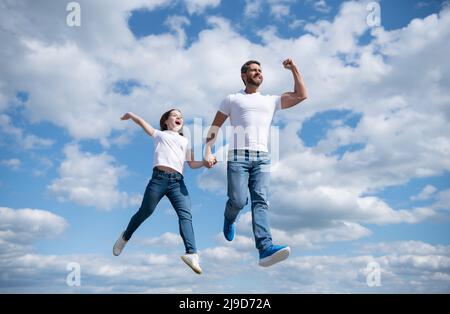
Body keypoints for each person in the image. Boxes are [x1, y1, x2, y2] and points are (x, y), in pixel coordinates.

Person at [204, 59, 307, 267]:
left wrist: (293, 69)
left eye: (260, 70)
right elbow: (215, 127)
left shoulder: (271, 100)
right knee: (239, 201)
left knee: (261, 201)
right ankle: (229, 217)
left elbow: (301, 95)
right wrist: (207, 150)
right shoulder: (231, 99)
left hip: (262, 158)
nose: (259, 73)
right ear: (244, 75)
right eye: (254, 70)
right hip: (238, 157)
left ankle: (265, 248)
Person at [113, 109, 214, 275]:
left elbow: (192, 164)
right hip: (158, 180)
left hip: (177, 183)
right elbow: (142, 123)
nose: (179, 117)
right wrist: (131, 115)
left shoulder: (185, 141)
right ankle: (126, 236)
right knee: (145, 212)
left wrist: (205, 162)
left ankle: (192, 254)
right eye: (174, 115)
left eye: (181, 116)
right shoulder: (159, 134)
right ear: (166, 121)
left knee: (186, 215)